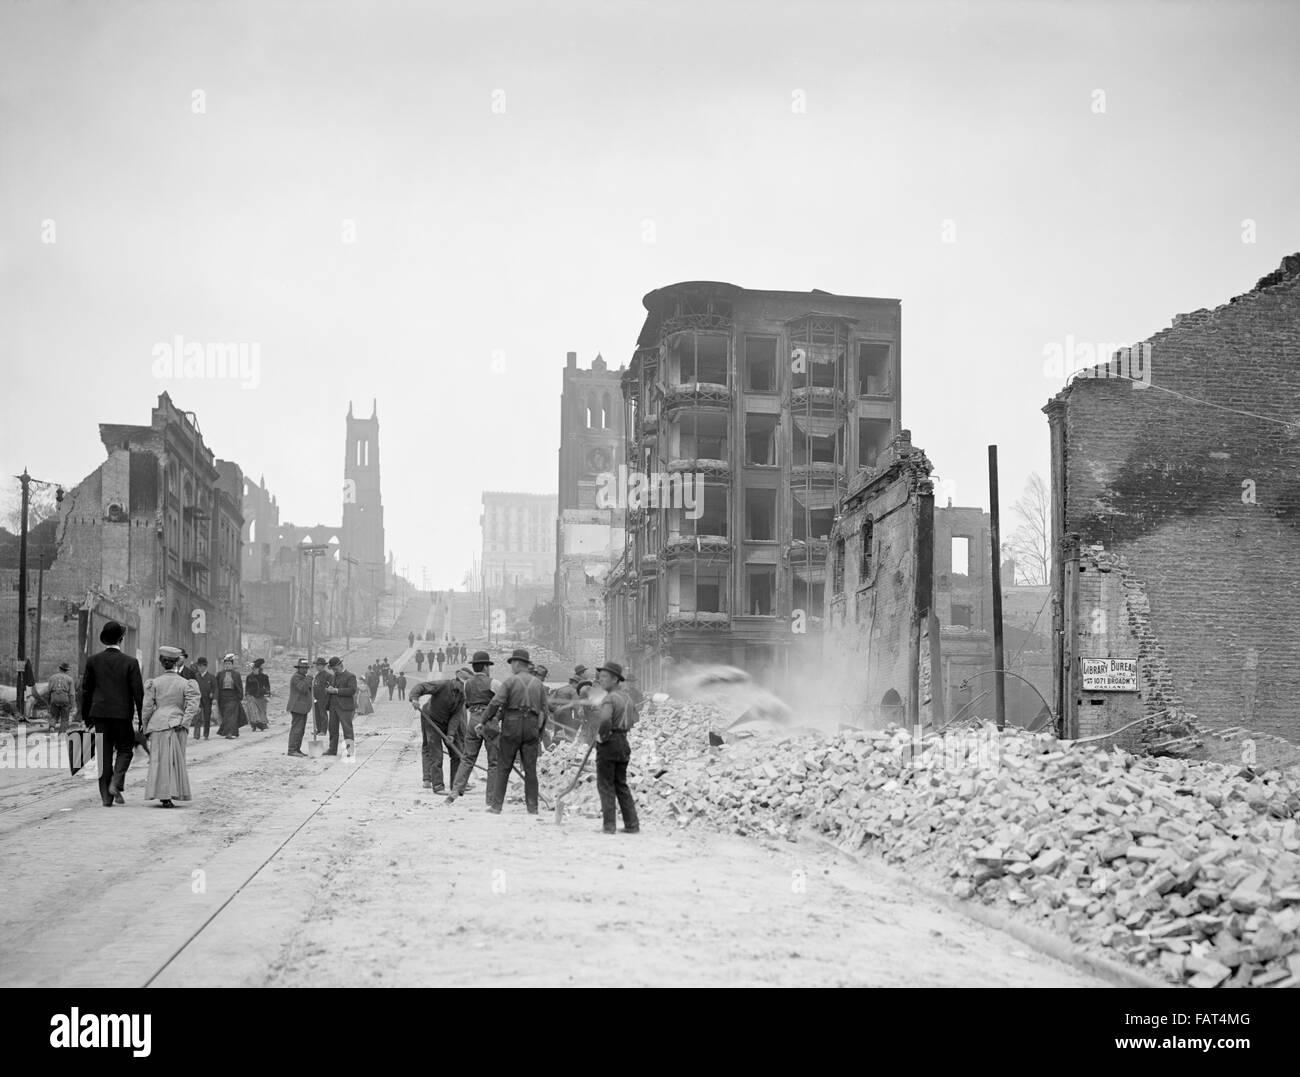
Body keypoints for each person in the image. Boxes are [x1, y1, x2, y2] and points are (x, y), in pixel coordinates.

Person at [79, 620, 144, 808]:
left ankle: (106, 798)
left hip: (99, 715)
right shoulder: (131, 662)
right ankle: (116, 781)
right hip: (122, 715)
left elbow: (86, 691)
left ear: (104, 640)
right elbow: (138, 693)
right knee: (125, 749)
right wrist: (142, 718)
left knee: (104, 755)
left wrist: (86, 717)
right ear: (121, 639)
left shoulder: (93, 661)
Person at [483, 647, 547, 815]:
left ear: (518, 664)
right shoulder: (538, 684)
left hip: (511, 726)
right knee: (530, 769)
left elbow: (495, 703)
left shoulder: (510, 682)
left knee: (504, 766)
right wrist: (538, 735)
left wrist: (484, 720)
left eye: (512, 663)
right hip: (531, 727)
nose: (511, 667)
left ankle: (497, 806)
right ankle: (532, 808)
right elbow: (544, 712)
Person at [142, 645, 198, 807]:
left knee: (158, 761)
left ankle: (161, 794)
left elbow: (146, 708)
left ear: (162, 663)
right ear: (176, 663)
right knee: (175, 760)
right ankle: (172, 793)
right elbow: (192, 706)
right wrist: (185, 722)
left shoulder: (154, 683)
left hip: (158, 725)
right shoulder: (186, 683)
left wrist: (146, 727)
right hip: (177, 725)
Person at [593, 661, 639, 834]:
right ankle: (632, 824)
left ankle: (609, 825)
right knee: (621, 785)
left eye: (604, 677)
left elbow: (605, 720)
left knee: (605, 785)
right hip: (623, 743)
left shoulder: (609, 698)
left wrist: (602, 737)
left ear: (615, 679)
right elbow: (635, 720)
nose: (600, 680)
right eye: (600, 676)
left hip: (609, 743)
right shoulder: (627, 698)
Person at [448, 652, 497, 805]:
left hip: (473, 719)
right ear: (485, 667)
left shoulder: (467, 684)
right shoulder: (493, 683)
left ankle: (455, 791)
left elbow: (468, 704)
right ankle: (491, 798)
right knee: (494, 761)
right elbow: (503, 702)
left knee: (467, 758)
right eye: (488, 666)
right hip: (489, 721)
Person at [410, 673, 464, 793]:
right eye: (463, 684)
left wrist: (450, 734)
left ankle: (455, 785)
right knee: (436, 754)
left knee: (457, 753)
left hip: (446, 722)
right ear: (457, 681)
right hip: (431, 719)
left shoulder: (462, 695)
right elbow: (421, 687)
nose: (464, 687)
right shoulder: (442, 685)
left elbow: (456, 716)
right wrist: (414, 698)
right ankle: (438, 786)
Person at [323, 656, 357, 758]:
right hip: (333, 707)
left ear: (340, 665)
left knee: (347, 730)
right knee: (332, 729)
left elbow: (352, 690)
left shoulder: (351, 676)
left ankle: (350, 751)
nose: (334, 670)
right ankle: (332, 749)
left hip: (345, 707)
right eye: (332, 669)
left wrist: (336, 691)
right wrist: (328, 690)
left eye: (335, 668)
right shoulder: (333, 677)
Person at [286, 658, 314, 757]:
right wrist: (309, 677)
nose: (305, 670)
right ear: (298, 668)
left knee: (301, 730)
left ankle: (297, 749)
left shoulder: (303, 677)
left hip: (303, 708)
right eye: (303, 668)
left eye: (306, 668)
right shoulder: (296, 677)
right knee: (296, 729)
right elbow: (302, 688)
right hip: (297, 707)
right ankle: (292, 750)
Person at [215, 654, 244, 738]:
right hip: (223, 697)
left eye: (229, 664)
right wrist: (216, 697)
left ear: (232, 665)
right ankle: (232, 731)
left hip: (233, 697)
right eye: (226, 664)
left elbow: (239, 686)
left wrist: (240, 696)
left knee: (230, 715)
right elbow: (217, 687)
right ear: (224, 665)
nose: (227, 666)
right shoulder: (220, 674)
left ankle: (229, 733)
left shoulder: (236, 674)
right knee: (226, 716)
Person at [46, 661, 76, 735]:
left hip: (54, 697)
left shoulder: (52, 677)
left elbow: (48, 691)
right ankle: (61, 733)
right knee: (65, 718)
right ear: (66, 670)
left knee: (53, 715)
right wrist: (73, 705)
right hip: (65, 698)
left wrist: (49, 701)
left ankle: (52, 727)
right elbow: (72, 693)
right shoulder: (70, 679)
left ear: (59, 668)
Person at [192, 657, 215, 740]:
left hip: (207, 700)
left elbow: (215, 688)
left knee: (207, 718)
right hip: (198, 700)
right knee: (197, 717)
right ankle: (196, 735)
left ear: (205, 667)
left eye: (202, 666)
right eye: (199, 666)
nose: (200, 668)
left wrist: (214, 696)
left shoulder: (211, 677)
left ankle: (206, 734)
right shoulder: (195, 677)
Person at [245, 657, 270, 731]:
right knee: (253, 710)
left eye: (256, 669)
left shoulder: (265, 677)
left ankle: (263, 723)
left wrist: (267, 693)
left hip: (261, 695)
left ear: (259, 669)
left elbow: (267, 686)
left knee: (262, 710)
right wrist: (246, 694)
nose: (254, 670)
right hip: (252, 695)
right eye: (253, 669)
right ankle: (254, 724)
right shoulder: (249, 677)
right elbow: (247, 687)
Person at [311, 657, 332, 736]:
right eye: (316, 665)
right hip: (316, 698)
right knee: (316, 714)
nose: (317, 666)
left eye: (318, 665)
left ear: (323, 666)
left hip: (323, 698)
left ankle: (323, 730)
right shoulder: (317, 675)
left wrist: (327, 697)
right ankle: (318, 729)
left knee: (323, 714)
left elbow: (330, 686)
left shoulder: (328, 675)